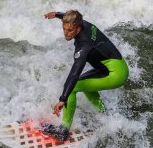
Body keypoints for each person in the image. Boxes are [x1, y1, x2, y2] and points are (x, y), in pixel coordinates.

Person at [42, 10, 129, 140]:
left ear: (78, 29)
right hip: (119, 66)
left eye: (70, 30)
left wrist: (63, 99)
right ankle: (104, 115)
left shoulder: (84, 45)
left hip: (114, 74)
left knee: (73, 87)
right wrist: (57, 15)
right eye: (64, 29)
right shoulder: (84, 24)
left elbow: (74, 73)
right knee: (84, 83)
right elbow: (69, 18)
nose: (66, 33)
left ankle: (63, 130)